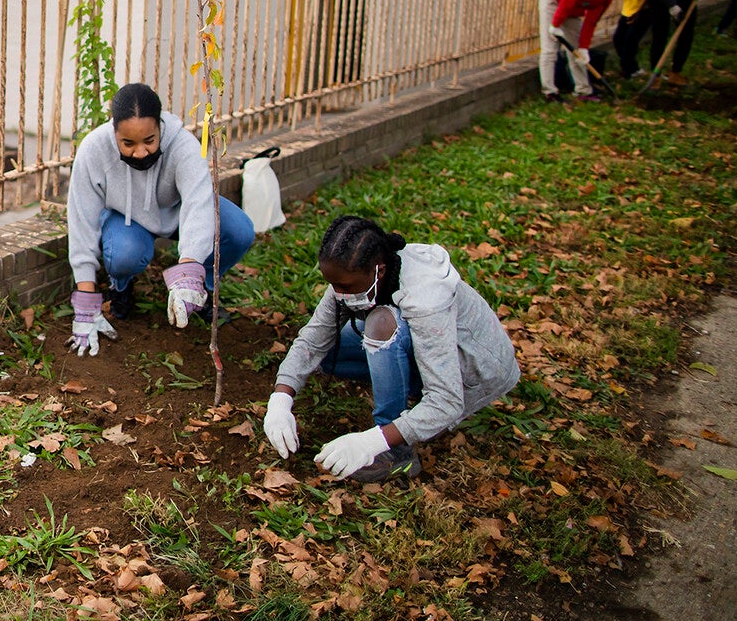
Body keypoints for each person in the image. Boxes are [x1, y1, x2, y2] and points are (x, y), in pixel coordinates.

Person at [260, 215, 520, 481]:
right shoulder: (354, 278)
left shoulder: (426, 299)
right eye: (332, 284)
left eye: (344, 286)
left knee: (381, 323)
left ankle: (398, 453)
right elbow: (313, 340)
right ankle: (397, 380)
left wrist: (374, 441)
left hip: (472, 371)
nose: (338, 293)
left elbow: (446, 401)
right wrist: (280, 400)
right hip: (424, 346)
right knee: (326, 350)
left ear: (379, 271)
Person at [66, 82, 256, 356]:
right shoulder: (94, 150)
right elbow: (82, 223)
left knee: (238, 230)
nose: (140, 152)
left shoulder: (183, 145)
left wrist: (189, 270)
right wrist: (85, 306)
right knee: (124, 255)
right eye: (128, 143)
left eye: (149, 141)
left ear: (160, 128)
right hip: (126, 217)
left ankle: (199, 292)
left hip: (177, 209)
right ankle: (122, 287)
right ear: (114, 130)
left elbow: (199, 203)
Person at [538, 0, 639, 101]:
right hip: (553, 1)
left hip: (571, 11)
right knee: (550, 49)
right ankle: (549, 92)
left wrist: (584, 48)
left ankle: (583, 90)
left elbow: (591, 22)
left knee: (577, 51)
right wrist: (556, 24)